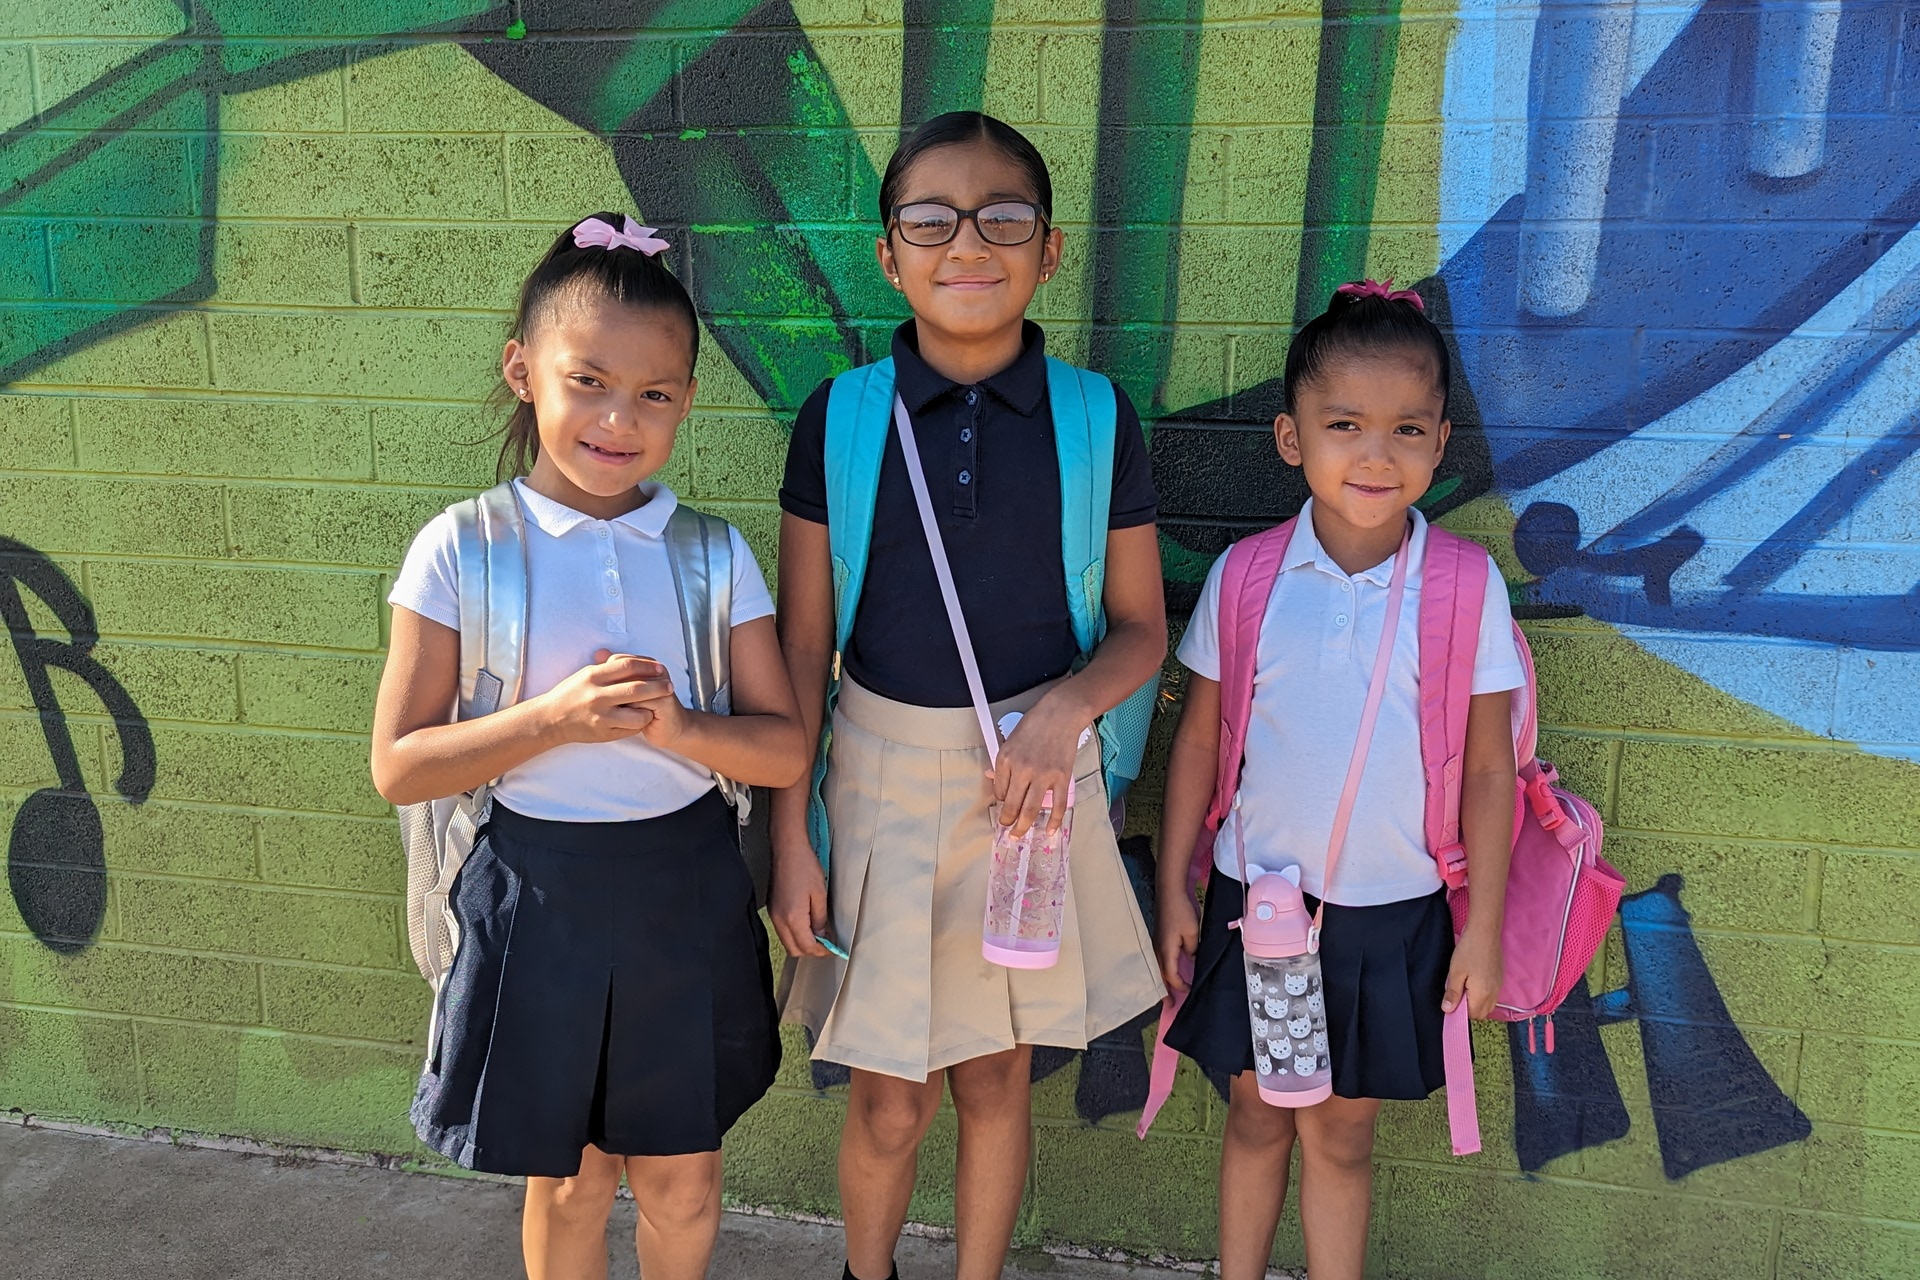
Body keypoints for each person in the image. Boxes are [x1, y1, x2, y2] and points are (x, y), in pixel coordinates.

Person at [769, 112, 1168, 1280]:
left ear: (1050, 251)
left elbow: (1144, 627)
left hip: (1032, 797)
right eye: (930, 220)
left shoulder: (1096, 416)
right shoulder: (840, 416)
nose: (968, 245)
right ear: (889, 255)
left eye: (1004, 218)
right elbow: (801, 655)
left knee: (998, 1077)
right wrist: (789, 833)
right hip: (879, 782)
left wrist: (1062, 713)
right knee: (891, 1097)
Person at [370, 213, 807, 1280]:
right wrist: (551, 720)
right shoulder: (463, 547)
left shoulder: (711, 554)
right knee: (568, 1179)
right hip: (536, 889)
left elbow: (786, 747)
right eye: (589, 380)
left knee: (681, 1178)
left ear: (687, 401)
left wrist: (685, 727)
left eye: (654, 393)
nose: (620, 418)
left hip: (682, 890)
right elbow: (399, 762)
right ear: (524, 371)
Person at [1154, 282, 1522, 1280]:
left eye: (1407, 427)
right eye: (1344, 424)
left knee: (1341, 1135)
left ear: (1441, 442)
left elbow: (1491, 765)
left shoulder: (1464, 584)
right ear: (1291, 436)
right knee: (1260, 1116)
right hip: (1264, 906)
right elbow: (1198, 742)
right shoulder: (1248, 576)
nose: (1375, 453)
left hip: (1391, 918)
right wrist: (1176, 888)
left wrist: (1481, 925)